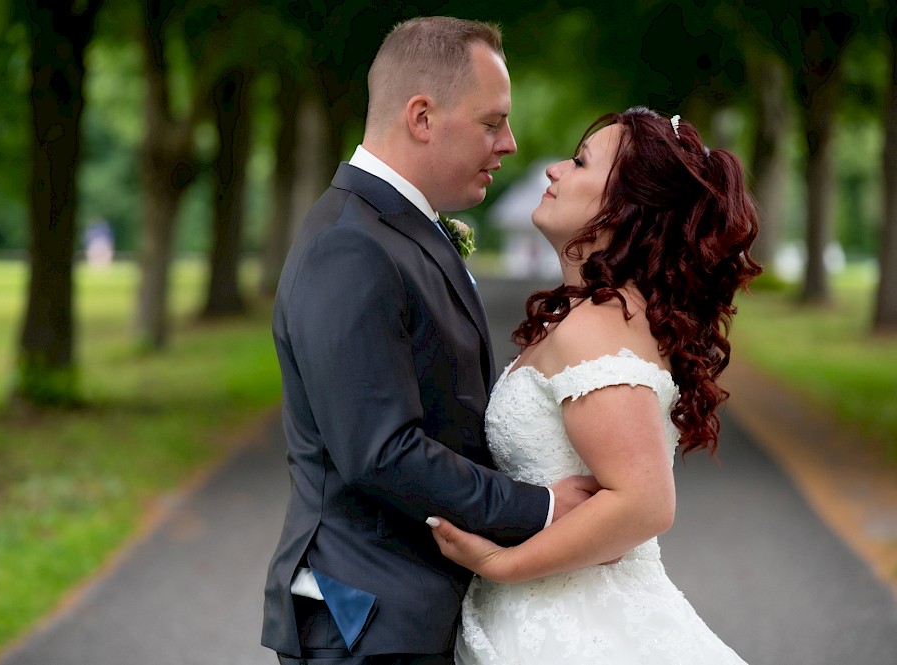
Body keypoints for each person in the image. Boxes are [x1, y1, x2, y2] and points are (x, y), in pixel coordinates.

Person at [261, 17, 598, 665]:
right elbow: (381, 450)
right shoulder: (349, 245)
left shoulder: (399, 229)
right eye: (492, 122)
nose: (510, 143)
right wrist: (542, 507)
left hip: (412, 607)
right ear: (421, 117)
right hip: (362, 616)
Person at [427, 107, 761, 663]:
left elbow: (645, 503)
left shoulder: (600, 325)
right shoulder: (601, 313)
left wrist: (500, 565)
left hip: (579, 628)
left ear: (624, 209)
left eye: (580, 162)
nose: (554, 170)